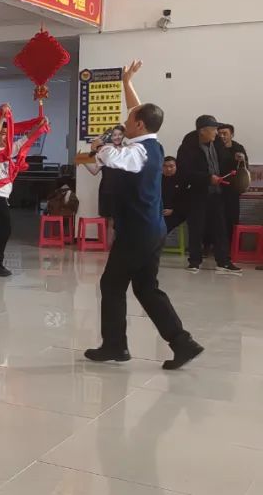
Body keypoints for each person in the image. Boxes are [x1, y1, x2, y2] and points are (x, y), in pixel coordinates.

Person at [84, 60, 204, 370]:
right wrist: (127, 82)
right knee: (146, 288)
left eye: (129, 119)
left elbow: (113, 157)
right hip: (152, 229)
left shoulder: (136, 152)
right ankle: (183, 343)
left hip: (137, 232)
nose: (125, 120)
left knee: (112, 285)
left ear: (138, 125)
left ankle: (115, 346)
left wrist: (99, 145)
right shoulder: (152, 144)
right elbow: (137, 110)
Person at [0, 105, 47, 277]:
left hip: (2, 197)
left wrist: (39, 126)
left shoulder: (8, 152)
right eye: (2, 134)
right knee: (4, 229)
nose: (5, 137)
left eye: (7, 134)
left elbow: (25, 140)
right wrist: (1, 115)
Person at [176, 115, 240, 274]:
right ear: (202, 131)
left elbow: (225, 162)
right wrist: (207, 178)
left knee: (220, 228)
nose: (217, 133)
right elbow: (185, 172)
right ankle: (194, 261)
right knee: (196, 227)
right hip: (196, 193)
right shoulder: (187, 147)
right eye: (213, 129)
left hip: (217, 193)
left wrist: (236, 159)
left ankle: (223, 262)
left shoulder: (217, 143)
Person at [84, 125, 125, 231]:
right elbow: (95, 171)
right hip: (107, 190)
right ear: (111, 137)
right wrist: (83, 161)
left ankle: (119, 241)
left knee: (120, 220)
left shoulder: (126, 151)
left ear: (123, 135)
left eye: (120, 134)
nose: (117, 137)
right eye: (114, 135)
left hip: (121, 190)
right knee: (108, 221)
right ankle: (108, 242)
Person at [217, 123, 248, 245]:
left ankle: (232, 245)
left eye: (225, 133)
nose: (222, 136)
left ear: (232, 135)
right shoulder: (214, 147)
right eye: (219, 134)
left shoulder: (238, 148)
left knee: (232, 217)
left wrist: (242, 159)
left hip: (232, 189)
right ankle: (212, 245)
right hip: (216, 187)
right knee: (215, 217)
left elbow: (244, 169)